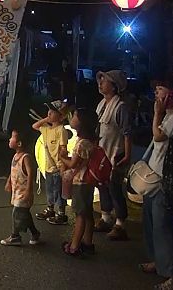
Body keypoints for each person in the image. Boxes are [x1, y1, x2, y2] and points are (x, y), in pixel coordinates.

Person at [140, 76, 173, 290]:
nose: (157, 94)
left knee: (164, 227)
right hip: (153, 177)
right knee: (151, 221)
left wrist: (157, 114)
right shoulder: (170, 114)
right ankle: (158, 262)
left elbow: (158, 136)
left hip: (166, 179)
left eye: (160, 89)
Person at [94, 69, 132, 240]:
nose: (101, 83)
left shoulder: (120, 107)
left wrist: (127, 155)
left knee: (115, 188)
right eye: (101, 80)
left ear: (114, 86)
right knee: (102, 184)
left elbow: (127, 133)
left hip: (115, 153)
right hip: (103, 153)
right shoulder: (102, 104)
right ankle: (106, 217)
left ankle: (120, 224)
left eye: (105, 81)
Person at [59, 107, 100, 256]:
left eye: (75, 116)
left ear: (82, 123)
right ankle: (88, 243)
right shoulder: (88, 141)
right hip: (87, 182)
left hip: (81, 182)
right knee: (87, 213)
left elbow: (72, 164)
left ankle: (74, 246)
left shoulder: (82, 143)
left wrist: (62, 156)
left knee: (80, 215)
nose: (72, 118)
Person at [0, 130, 41, 246]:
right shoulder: (15, 156)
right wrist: (9, 181)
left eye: (12, 138)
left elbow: (30, 173)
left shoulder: (25, 157)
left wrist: (29, 190)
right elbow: (13, 170)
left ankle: (15, 236)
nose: (9, 139)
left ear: (19, 143)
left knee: (17, 213)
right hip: (17, 191)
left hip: (23, 193)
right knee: (24, 214)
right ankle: (35, 233)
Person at [33, 100, 69, 225]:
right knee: (49, 190)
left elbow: (63, 149)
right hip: (48, 166)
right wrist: (46, 119)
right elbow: (35, 126)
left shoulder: (61, 130)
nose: (49, 113)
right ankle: (50, 209)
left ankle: (61, 213)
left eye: (53, 112)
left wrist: (62, 166)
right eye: (49, 110)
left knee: (58, 191)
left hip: (57, 167)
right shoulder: (46, 128)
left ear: (61, 116)